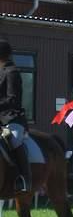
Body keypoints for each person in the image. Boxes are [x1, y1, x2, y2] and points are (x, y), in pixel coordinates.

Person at [0, 39, 31, 192]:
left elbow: (13, 99)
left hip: (13, 118)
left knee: (12, 139)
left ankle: (24, 179)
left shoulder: (12, 72)